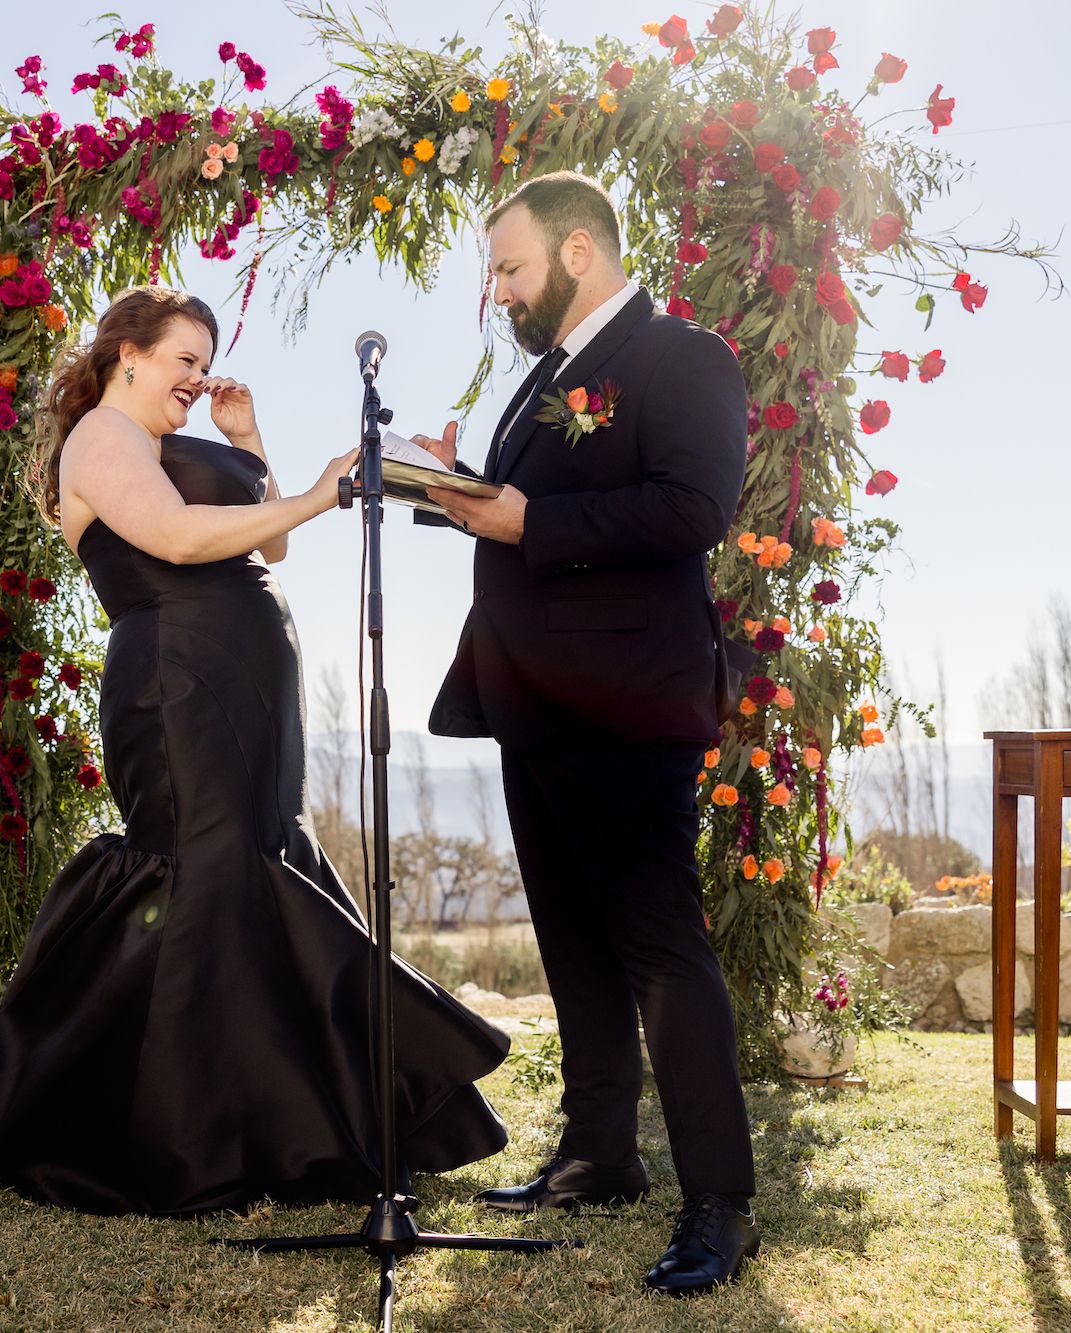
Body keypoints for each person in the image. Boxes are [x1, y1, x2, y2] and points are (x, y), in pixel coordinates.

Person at [0, 285, 514, 1217]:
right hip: (178, 682)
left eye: (207, 358)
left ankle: (277, 1121)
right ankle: (182, 1128)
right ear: (128, 352)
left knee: (256, 864)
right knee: (200, 871)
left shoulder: (173, 439)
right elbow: (175, 539)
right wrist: (317, 494)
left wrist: (250, 441)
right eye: (185, 358)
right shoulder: (100, 437)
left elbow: (273, 551)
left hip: (249, 680)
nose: (198, 375)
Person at [409, 170, 758, 1296]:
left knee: (659, 948)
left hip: (626, 700)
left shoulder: (680, 357)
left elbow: (693, 508)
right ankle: (597, 1153)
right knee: (569, 940)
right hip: (530, 699)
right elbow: (525, 516)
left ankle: (720, 1200)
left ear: (575, 253)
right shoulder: (534, 385)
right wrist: (460, 485)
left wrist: (526, 517)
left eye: (507, 268)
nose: (497, 292)